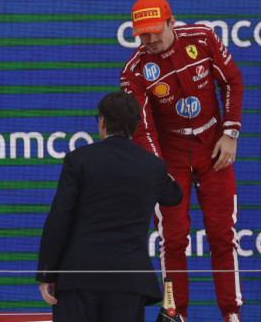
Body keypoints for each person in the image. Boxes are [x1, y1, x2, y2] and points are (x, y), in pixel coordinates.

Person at [120, 0, 244, 322]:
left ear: (172, 22)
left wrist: (230, 133)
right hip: (170, 156)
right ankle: (175, 313)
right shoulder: (133, 72)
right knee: (172, 239)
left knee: (222, 233)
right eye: (142, 34)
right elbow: (142, 128)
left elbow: (231, 81)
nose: (150, 40)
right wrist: (157, 169)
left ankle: (231, 313)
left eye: (156, 31)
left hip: (214, 147)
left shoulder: (202, 38)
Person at [36, 91, 183, 321]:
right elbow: (174, 196)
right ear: (136, 125)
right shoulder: (153, 167)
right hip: (129, 281)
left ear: (102, 122)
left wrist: (47, 272)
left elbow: (59, 217)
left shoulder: (79, 159)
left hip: (78, 277)